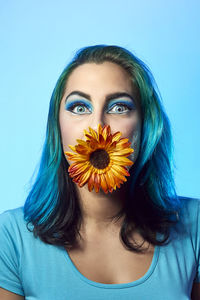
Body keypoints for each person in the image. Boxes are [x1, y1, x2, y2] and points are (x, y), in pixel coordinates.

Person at [0, 44, 199, 299]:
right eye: (80, 107)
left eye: (118, 107)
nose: (98, 127)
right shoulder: (11, 238)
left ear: (145, 125)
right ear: (57, 126)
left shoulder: (195, 227)